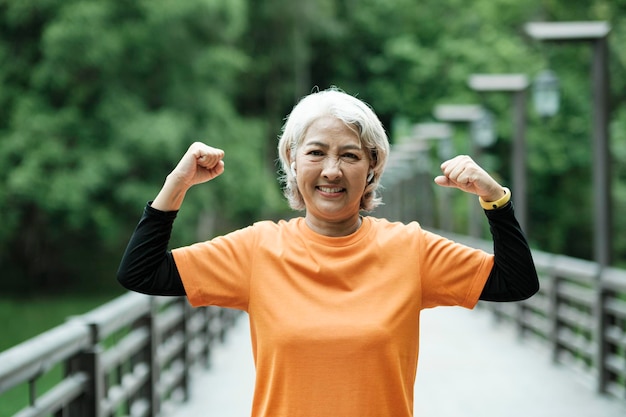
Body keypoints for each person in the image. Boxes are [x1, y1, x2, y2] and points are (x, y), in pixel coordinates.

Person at [117, 87, 539, 417]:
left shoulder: (409, 249)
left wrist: (495, 198)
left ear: (372, 167)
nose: (332, 170)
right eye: (316, 152)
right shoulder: (257, 249)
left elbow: (516, 282)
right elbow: (141, 273)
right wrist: (176, 184)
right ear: (292, 161)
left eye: (350, 155)